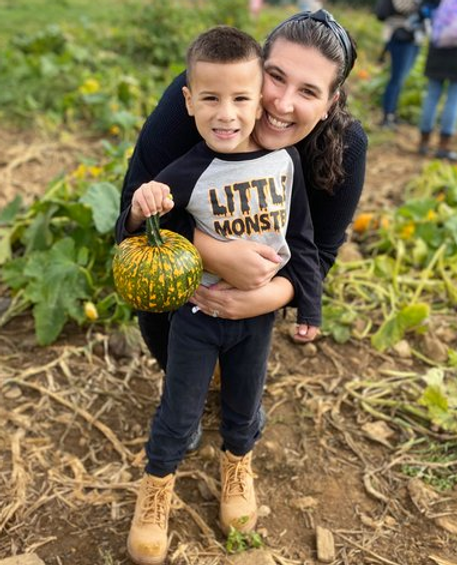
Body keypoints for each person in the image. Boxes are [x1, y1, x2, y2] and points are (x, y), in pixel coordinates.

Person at [121, 25, 323, 565]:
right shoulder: (187, 170)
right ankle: (156, 490)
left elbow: (300, 237)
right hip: (197, 314)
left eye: (240, 98)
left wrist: (309, 302)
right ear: (188, 102)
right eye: (210, 98)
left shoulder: (286, 163)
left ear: (260, 102)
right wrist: (143, 207)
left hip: (257, 322)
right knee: (180, 412)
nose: (226, 114)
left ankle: (237, 468)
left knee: (243, 404)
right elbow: (136, 236)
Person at [379, 0, 434, 129]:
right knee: (396, 78)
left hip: (414, 38)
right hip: (400, 36)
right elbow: (401, 6)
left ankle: (392, 113)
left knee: (401, 78)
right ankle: (387, 115)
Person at [418, 0, 457, 161]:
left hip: (437, 51)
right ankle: (443, 146)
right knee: (453, 100)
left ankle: (424, 142)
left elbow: (424, 9)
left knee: (432, 96)